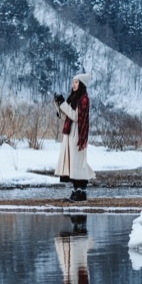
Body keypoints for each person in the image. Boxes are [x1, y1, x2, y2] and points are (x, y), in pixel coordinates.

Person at [54, 72, 95, 201]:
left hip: (78, 134)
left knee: (77, 163)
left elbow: (76, 116)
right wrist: (58, 103)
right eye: (73, 82)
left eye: (76, 82)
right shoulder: (74, 97)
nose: (73, 84)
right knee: (73, 163)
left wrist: (63, 104)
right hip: (71, 132)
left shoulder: (83, 99)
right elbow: (65, 114)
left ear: (81, 84)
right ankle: (77, 190)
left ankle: (80, 191)